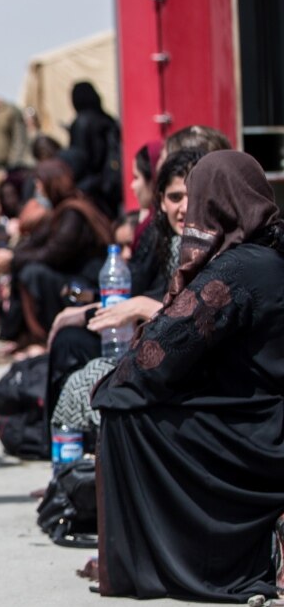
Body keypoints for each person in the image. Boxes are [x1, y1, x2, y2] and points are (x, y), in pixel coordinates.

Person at [91, 150, 284, 602]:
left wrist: (115, 380)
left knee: (121, 409)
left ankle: (171, 564)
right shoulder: (269, 254)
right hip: (266, 420)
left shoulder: (234, 270)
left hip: (260, 435)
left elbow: (154, 361)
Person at [47, 149, 203, 437]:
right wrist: (88, 308)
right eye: (175, 197)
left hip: (186, 361)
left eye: (192, 195)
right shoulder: (163, 239)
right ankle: (69, 458)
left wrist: (141, 308)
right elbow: (134, 292)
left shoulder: (211, 248)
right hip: (145, 340)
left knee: (85, 363)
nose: (184, 208)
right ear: (162, 201)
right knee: (70, 340)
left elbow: (191, 315)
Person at [0, 158, 111, 356]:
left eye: (40, 185)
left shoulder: (73, 213)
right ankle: (25, 336)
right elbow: (36, 243)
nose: (38, 190)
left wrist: (13, 260)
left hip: (84, 285)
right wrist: (10, 256)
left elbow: (54, 253)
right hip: (69, 278)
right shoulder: (60, 211)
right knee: (26, 268)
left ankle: (43, 337)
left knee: (33, 273)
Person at [62, 81, 122, 220]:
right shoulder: (108, 120)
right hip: (110, 184)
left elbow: (80, 158)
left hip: (91, 188)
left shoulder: (81, 122)